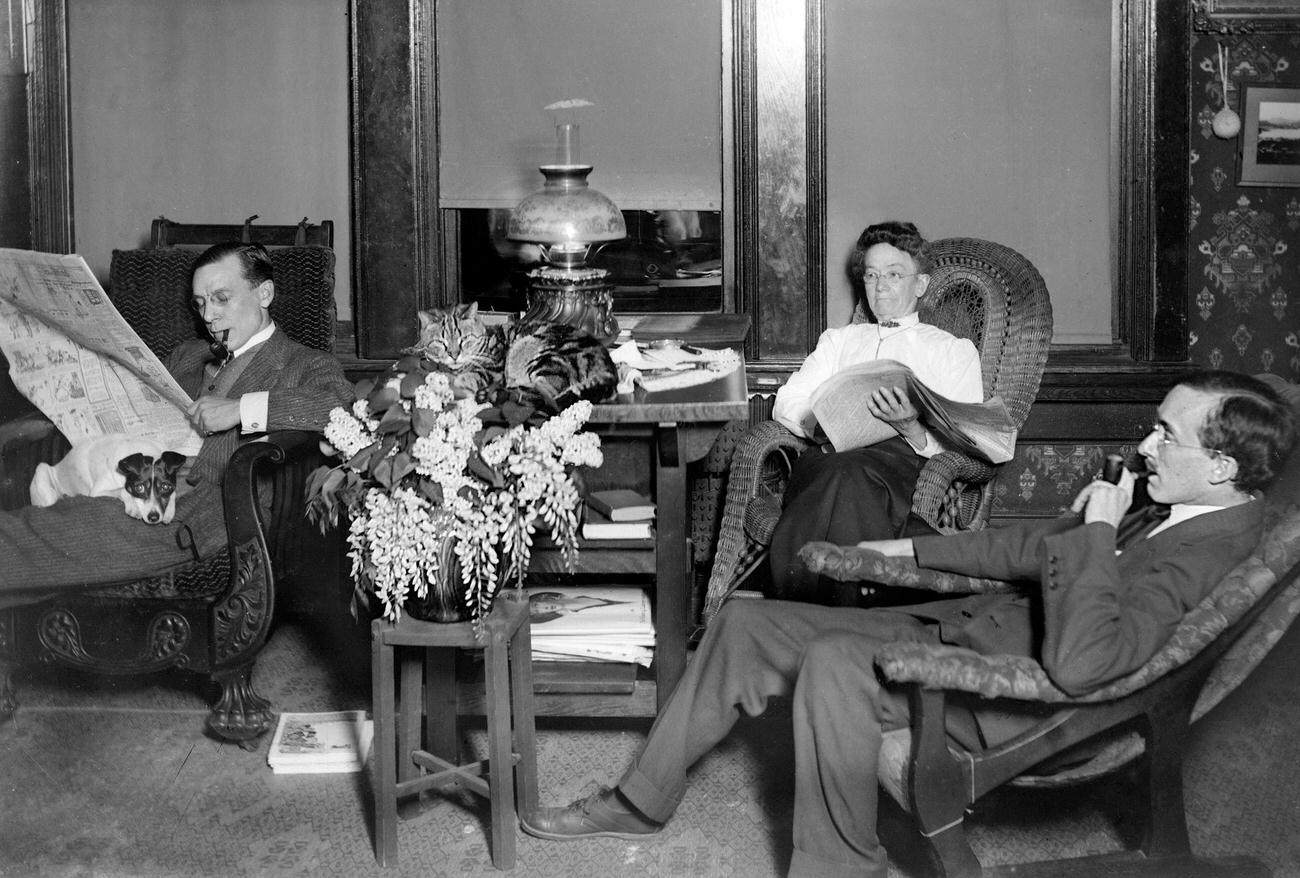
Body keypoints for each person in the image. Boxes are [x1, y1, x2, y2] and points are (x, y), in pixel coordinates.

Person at [523, 371, 1296, 878]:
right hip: (962, 629)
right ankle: (640, 801)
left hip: (1002, 693)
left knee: (830, 660)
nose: (1145, 444)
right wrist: (901, 546)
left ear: (1224, 467)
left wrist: (1097, 532)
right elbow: (1028, 548)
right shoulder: (1177, 504)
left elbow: (1087, 666)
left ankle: (839, 867)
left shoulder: (1213, 550)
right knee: (740, 627)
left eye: (1168, 434)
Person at [0, 241, 355, 604]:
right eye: (200, 303)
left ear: (264, 293)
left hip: (201, 513)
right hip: (125, 481)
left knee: (41, 534)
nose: (209, 315)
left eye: (221, 298)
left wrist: (239, 409)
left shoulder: (304, 362)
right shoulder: (188, 354)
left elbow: (340, 405)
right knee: (39, 536)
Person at [767, 220, 983, 600]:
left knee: (850, 477)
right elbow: (788, 400)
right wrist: (819, 424)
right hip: (828, 454)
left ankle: (802, 610)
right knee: (841, 470)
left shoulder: (952, 350)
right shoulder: (839, 341)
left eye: (894, 274)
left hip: (900, 467)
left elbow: (969, 440)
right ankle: (859, 617)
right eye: (871, 275)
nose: (880, 285)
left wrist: (912, 427)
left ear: (920, 284)